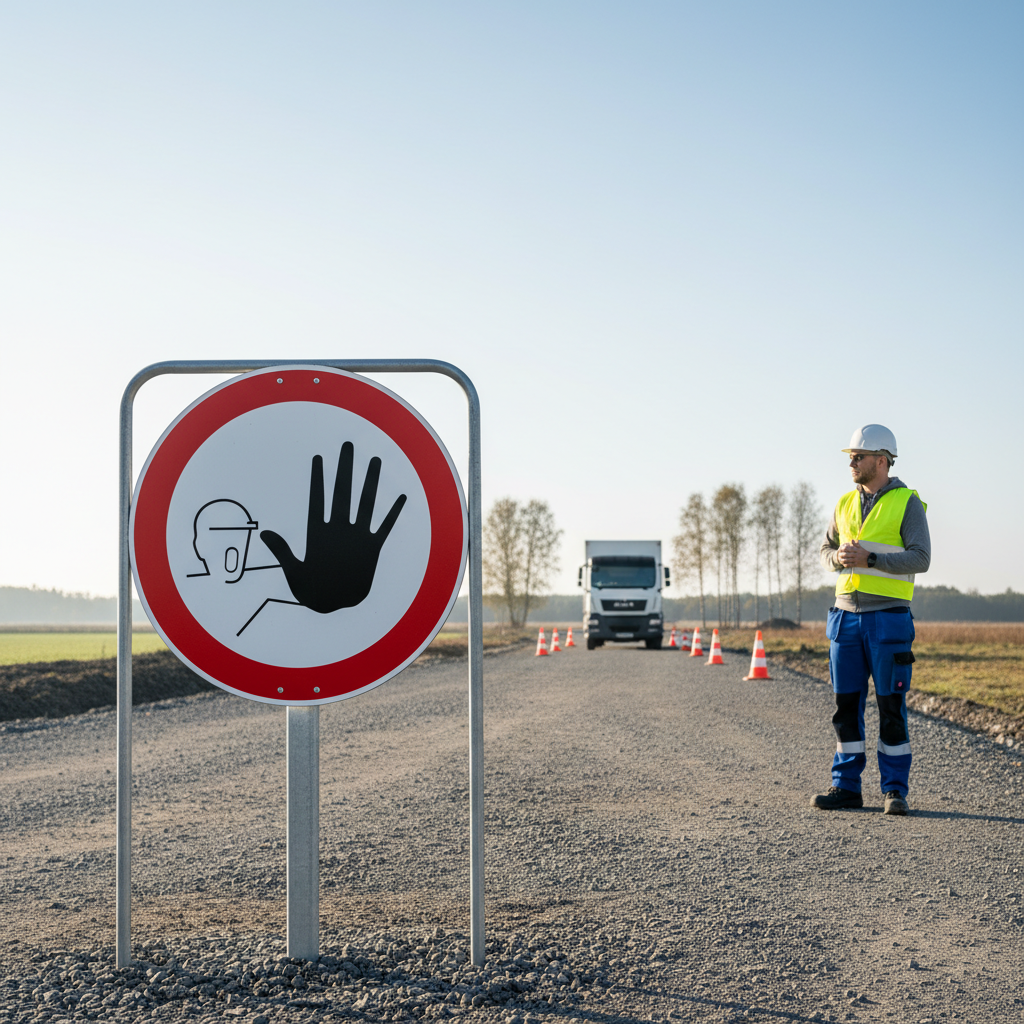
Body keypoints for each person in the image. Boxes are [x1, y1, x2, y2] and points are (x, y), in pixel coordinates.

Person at [812, 424, 930, 815]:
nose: (852, 462)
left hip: (888, 619)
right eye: (850, 456)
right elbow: (825, 550)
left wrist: (872, 559)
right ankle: (846, 787)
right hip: (845, 618)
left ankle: (894, 790)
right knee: (845, 706)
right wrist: (837, 558)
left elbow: (921, 558)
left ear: (882, 460)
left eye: (858, 456)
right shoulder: (844, 503)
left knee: (890, 706)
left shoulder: (907, 503)